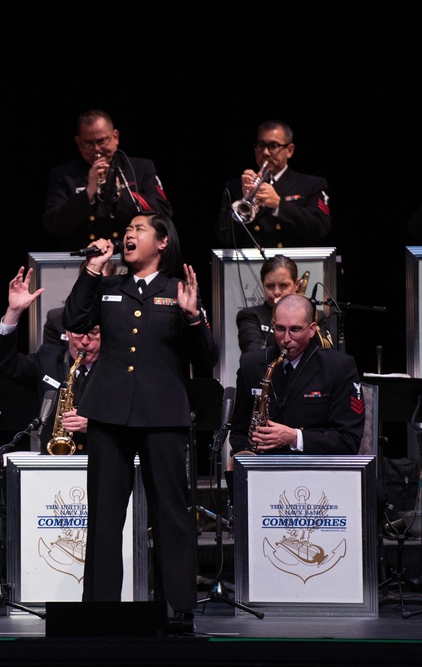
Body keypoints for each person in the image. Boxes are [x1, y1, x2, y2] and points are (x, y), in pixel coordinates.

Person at [63, 212, 218, 624]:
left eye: (139, 230)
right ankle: (98, 611)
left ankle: (177, 609)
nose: (128, 235)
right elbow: (75, 321)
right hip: (109, 414)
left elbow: (206, 362)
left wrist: (193, 316)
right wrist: (91, 270)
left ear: (163, 242)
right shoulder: (109, 285)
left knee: (171, 513)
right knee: (104, 515)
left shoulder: (178, 290)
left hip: (163, 414)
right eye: (127, 230)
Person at [228, 294, 364, 456]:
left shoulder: (339, 367)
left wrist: (295, 438)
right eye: (280, 329)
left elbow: (348, 441)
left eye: (295, 330)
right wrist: (246, 456)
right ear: (272, 324)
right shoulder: (250, 365)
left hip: (316, 471)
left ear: (312, 329)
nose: (286, 339)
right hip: (262, 470)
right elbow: (239, 431)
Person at [0, 266, 102, 453]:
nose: (85, 342)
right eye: (79, 333)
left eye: (94, 333)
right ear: (67, 332)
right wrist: (13, 312)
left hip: (101, 463)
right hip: (54, 465)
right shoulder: (48, 359)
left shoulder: (118, 365)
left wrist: (96, 425)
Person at [43, 109, 172, 251]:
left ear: (115, 137)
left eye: (101, 141)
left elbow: (163, 213)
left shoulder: (141, 168)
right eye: (88, 143)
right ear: (78, 143)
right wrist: (88, 193)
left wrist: (121, 195)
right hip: (83, 259)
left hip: (130, 258)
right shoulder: (64, 174)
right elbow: (53, 224)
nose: (97, 149)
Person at [216, 120, 330, 250]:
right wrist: (243, 197)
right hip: (248, 266)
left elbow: (320, 229)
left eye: (273, 146)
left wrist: (278, 204)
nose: (265, 152)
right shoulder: (234, 186)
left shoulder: (312, 184)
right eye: (261, 145)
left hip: (290, 266)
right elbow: (223, 238)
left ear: (290, 150)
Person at [236, 255, 302, 352]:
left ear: (296, 284)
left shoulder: (316, 316)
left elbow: (321, 355)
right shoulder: (250, 316)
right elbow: (254, 354)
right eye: (270, 286)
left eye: (283, 285)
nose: (276, 292)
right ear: (263, 285)